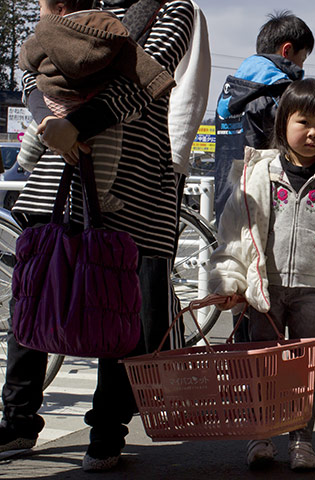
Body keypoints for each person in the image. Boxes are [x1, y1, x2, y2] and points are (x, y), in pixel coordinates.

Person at [1, 0, 197, 472]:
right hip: (57, 173)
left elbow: (144, 82)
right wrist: (52, 125)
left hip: (135, 184)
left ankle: (108, 430)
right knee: (33, 297)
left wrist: (76, 125)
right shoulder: (72, 2)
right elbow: (34, 68)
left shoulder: (171, 7)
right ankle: (18, 420)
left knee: (118, 309)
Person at [208, 78, 315, 471]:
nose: (313, 133)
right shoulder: (258, 172)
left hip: (313, 292)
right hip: (263, 289)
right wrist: (231, 282)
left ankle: (301, 439)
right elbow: (234, 233)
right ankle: (260, 436)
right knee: (262, 367)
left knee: (304, 372)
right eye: (304, 122)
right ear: (283, 122)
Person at [16, 0, 176, 213]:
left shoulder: (170, 7)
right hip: (53, 181)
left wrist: (64, 126)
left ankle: (27, 159)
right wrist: (50, 120)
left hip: (129, 187)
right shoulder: (105, 23)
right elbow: (144, 75)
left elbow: (29, 70)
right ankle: (99, 196)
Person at [214, 10, 314, 223]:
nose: (302, 67)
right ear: (287, 50)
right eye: (302, 58)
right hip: (267, 203)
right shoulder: (280, 92)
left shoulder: (232, 89)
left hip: (228, 199)